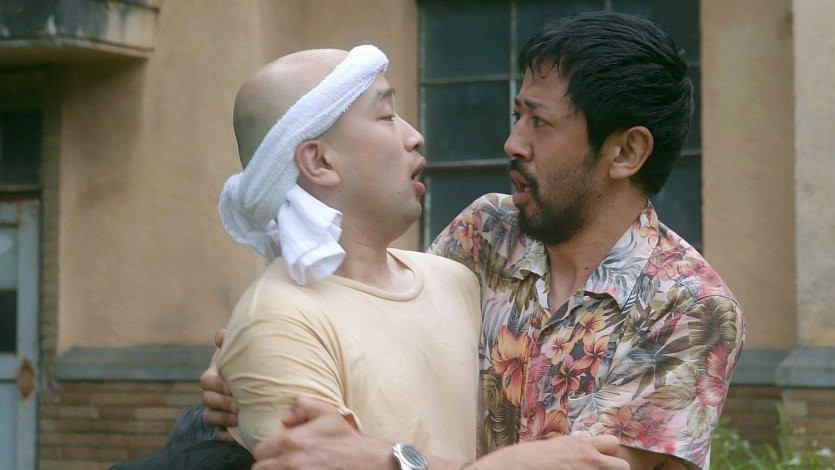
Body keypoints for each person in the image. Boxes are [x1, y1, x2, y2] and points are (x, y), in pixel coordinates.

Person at [201, 11, 745, 470]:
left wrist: (394, 462)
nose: (513, 142)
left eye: (539, 123)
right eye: (517, 115)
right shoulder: (486, 232)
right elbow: (383, 333)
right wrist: (266, 363)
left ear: (625, 152)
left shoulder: (689, 308)